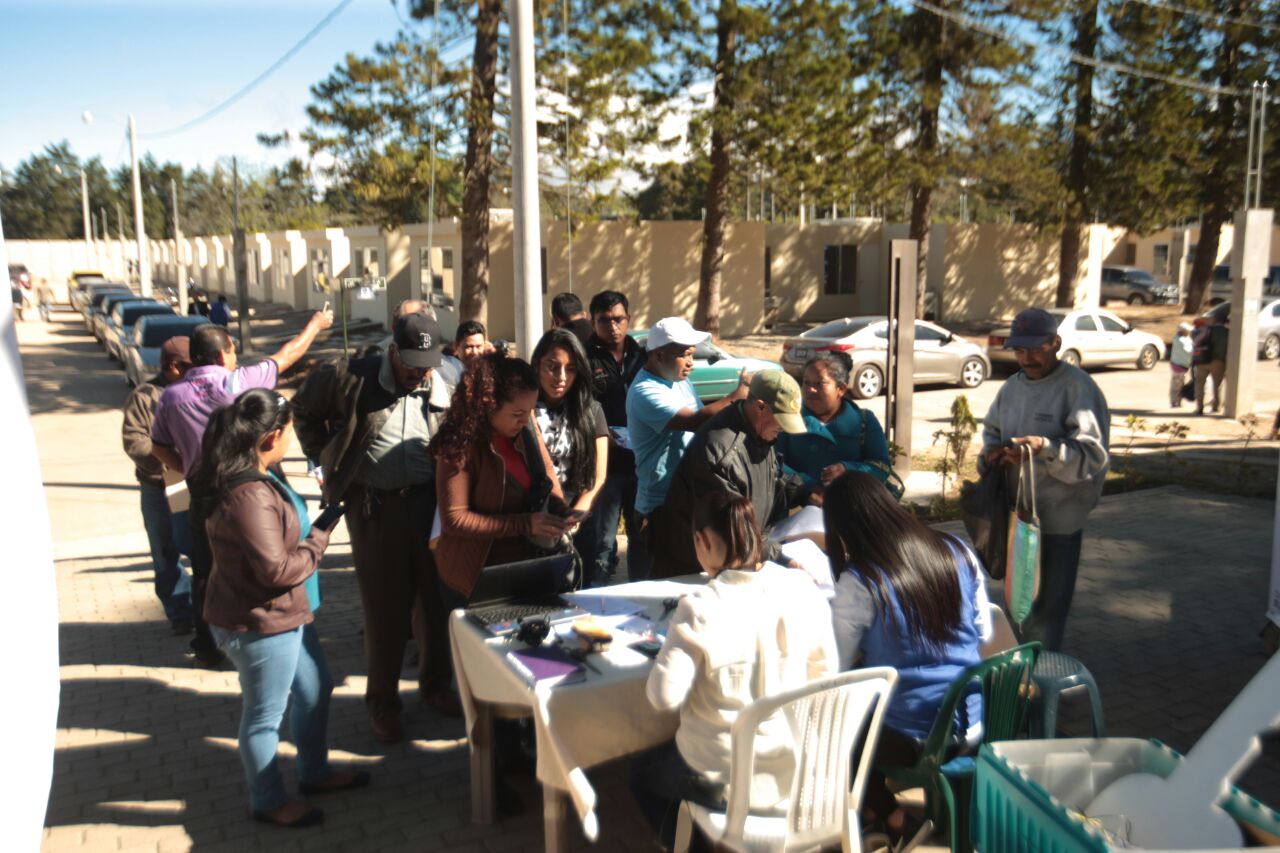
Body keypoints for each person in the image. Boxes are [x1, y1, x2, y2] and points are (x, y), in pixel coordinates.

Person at [199, 388, 369, 828]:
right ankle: (268, 800)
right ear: (272, 436)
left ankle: (314, 772)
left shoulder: (264, 471)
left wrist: (317, 523)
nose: (292, 439)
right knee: (263, 717)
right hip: (259, 622)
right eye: (290, 431)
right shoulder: (249, 493)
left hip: (285, 614)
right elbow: (275, 569)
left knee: (315, 689)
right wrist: (319, 538)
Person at [631, 494, 837, 849]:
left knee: (641, 776)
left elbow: (662, 697)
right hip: (797, 764)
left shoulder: (701, 606)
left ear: (703, 541)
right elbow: (827, 670)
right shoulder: (802, 587)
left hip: (722, 772)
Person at [292, 313, 459, 743]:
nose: (419, 373)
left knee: (435, 603)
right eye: (410, 364)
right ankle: (382, 704)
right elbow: (303, 411)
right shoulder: (350, 377)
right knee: (385, 613)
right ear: (391, 352)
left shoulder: (446, 382)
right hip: (374, 510)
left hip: (430, 508)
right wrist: (326, 457)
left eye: (427, 364)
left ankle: (436, 686)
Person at [151, 306, 334, 666]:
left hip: (202, 493)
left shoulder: (171, 395)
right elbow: (289, 354)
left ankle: (208, 644)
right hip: (248, 487)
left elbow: (158, 444)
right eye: (233, 351)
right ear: (223, 354)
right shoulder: (237, 383)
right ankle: (269, 629)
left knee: (205, 567)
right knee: (267, 557)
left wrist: (188, 467)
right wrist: (316, 323)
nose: (235, 357)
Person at [824, 471, 989, 847]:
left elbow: (835, 665)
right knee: (863, 719)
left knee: (828, 733)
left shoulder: (861, 581)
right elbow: (983, 631)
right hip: (974, 719)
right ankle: (872, 812)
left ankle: (894, 817)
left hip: (916, 734)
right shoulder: (956, 549)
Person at [980, 307, 1109, 652]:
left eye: (1036, 348)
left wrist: (1043, 447)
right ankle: (1017, 686)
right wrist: (993, 454)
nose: (1027, 358)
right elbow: (992, 431)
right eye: (1020, 350)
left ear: (1055, 343)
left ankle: (1038, 695)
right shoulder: (1011, 387)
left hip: (1057, 524)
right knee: (1017, 606)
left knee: (1045, 615)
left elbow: (1093, 456)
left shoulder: (1078, 388)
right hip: (1016, 520)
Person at [431, 354, 573, 604]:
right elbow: (454, 519)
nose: (525, 420)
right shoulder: (459, 445)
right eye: (517, 413)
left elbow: (547, 472)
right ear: (489, 404)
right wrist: (526, 524)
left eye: (530, 411)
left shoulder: (526, 426)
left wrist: (561, 510)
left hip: (525, 570)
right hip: (472, 578)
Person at [648, 370, 810, 578]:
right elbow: (732, 527)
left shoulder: (759, 432)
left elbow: (766, 480)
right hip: (696, 567)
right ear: (760, 407)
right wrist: (780, 557)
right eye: (781, 420)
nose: (783, 429)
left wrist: (805, 491)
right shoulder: (720, 451)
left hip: (734, 562)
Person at [625, 317, 748, 574]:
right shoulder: (645, 391)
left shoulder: (680, 380)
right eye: (684, 355)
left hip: (686, 498)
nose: (691, 362)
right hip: (660, 507)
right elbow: (693, 421)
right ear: (658, 356)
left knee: (690, 578)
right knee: (663, 586)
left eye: (692, 354)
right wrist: (737, 396)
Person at [122, 337, 194, 634]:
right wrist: (172, 459)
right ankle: (179, 612)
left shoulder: (197, 390)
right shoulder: (145, 395)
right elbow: (134, 442)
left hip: (191, 484)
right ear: (174, 367)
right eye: (192, 365)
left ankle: (205, 612)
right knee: (165, 551)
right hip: (161, 486)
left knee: (199, 548)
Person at [530, 328, 610, 585]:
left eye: (571, 368)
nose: (561, 377)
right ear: (537, 365)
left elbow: (598, 476)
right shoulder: (522, 407)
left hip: (578, 521)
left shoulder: (591, 410)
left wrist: (576, 514)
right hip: (530, 522)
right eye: (551, 366)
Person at [583, 290, 648, 583]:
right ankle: (597, 598)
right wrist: (600, 432)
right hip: (604, 467)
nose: (613, 326)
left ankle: (638, 595)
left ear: (629, 319)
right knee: (603, 542)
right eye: (604, 320)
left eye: (618, 319)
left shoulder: (642, 355)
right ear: (592, 321)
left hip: (640, 463)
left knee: (640, 538)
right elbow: (580, 406)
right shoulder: (583, 358)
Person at [775, 351, 893, 496]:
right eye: (806, 382)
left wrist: (847, 469)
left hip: (851, 506)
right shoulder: (789, 418)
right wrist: (808, 489)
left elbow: (881, 467)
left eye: (820, 383)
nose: (811, 390)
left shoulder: (864, 421)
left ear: (841, 389)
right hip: (800, 507)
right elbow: (774, 463)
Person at [1193, 309, 1229, 415]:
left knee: (1200, 384)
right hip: (1219, 361)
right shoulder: (1228, 333)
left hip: (1202, 360)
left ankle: (1199, 407)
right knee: (1217, 385)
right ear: (1225, 321)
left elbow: (1196, 342)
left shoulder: (1207, 329)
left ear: (1214, 320)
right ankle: (1215, 406)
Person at [1169, 322, 1194, 408]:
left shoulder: (1178, 338)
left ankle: (1177, 401)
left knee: (1179, 384)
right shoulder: (1181, 340)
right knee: (1177, 385)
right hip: (1179, 366)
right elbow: (1190, 351)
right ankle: (1175, 401)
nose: (1189, 332)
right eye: (1187, 331)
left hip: (1180, 365)